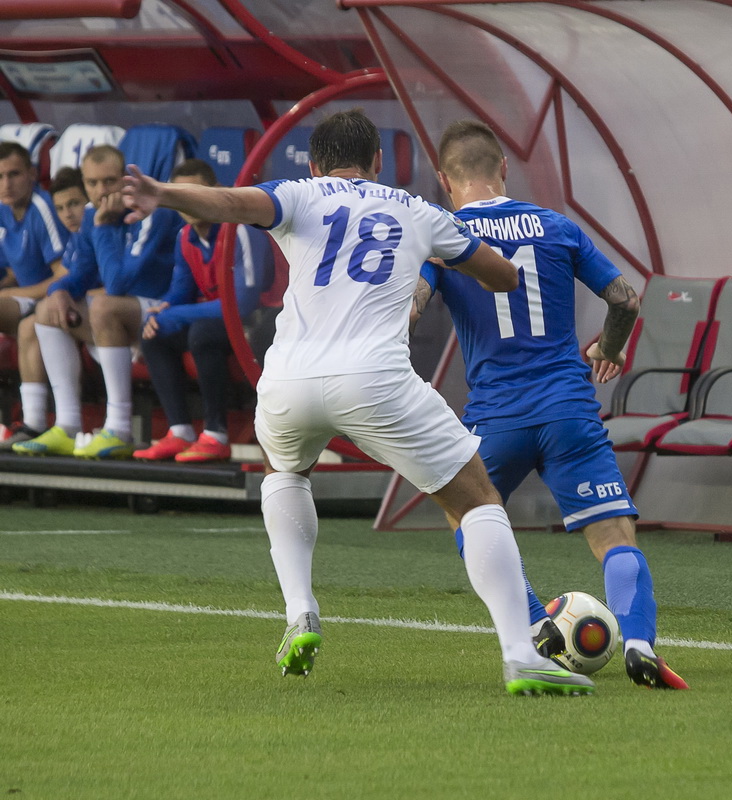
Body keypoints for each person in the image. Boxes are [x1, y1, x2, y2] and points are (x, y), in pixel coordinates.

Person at [122, 108, 594, 697]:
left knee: (283, 471)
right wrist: (451, 255)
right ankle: (520, 654)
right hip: (374, 378)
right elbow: (500, 276)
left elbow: (233, 204)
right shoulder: (415, 209)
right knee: (477, 499)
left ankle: (300, 611)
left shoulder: (298, 192)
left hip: (288, 380)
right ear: (377, 162)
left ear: (316, 163)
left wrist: (163, 192)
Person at [410, 119, 689, 690]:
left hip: (495, 418)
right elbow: (625, 299)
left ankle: (538, 623)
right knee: (613, 537)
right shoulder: (557, 226)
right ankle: (638, 641)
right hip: (568, 410)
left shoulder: (441, 236)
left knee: (466, 516)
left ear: (444, 179)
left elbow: (411, 309)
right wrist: (608, 346)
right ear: (504, 168)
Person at [14, 144, 181, 458]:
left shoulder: (149, 212)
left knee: (104, 304)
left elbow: (117, 284)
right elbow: (82, 272)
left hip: (163, 310)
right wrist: (59, 291)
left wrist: (104, 226)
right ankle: (67, 425)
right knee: (47, 309)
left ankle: (118, 428)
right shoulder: (93, 215)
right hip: (125, 318)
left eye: (109, 181)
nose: (101, 191)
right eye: (92, 183)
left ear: (125, 179)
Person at [132, 158, 273, 463]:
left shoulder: (240, 229)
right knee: (155, 335)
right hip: (218, 320)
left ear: (216, 192)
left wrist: (176, 315)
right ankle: (180, 431)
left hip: (261, 324)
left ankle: (216, 435)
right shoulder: (185, 237)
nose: (189, 202)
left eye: (195, 192)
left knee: (202, 333)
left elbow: (244, 304)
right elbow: (180, 292)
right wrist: (160, 312)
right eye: (180, 194)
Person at [0, 141, 69, 449]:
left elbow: (62, 276)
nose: (6, 184)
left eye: (14, 174)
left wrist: (11, 290)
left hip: (54, 300)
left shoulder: (43, 208)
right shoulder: (2, 210)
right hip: (24, 301)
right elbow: (12, 268)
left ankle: (33, 424)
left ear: (31, 174)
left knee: (29, 326)